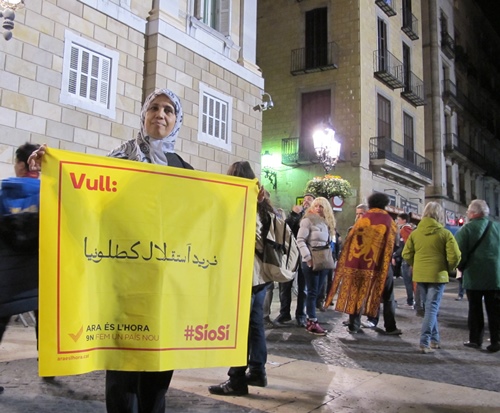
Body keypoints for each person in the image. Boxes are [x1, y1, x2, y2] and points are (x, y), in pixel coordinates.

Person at [29, 89, 193, 412]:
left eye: (168, 110)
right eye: (154, 108)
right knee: (122, 379)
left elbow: (206, 218)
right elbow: (84, 194)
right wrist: (50, 169)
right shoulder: (119, 159)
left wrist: (250, 201)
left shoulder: (184, 170)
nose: (160, 114)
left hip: (164, 293)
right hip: (123, 287)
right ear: (144, 115)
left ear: (177, 121)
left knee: (157, 386)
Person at [208, 161, 271, 396]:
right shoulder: (263, 205)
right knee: (255, 325)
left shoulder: (247, 206)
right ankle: (257, 371)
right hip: (260, 276)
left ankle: (236, 380)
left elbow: (250, 239)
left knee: (240, 328)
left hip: (247, 275)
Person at [326, 193, 400, 335]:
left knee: (357, 293)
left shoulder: (362, 220)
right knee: (387, 296)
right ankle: (390, 327)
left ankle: (354, 325)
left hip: (360, 264)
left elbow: (350, 242)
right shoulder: (389, 220)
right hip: (381, 265)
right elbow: (394, 243)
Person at [0, 142, 41, 395]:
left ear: (21, 164)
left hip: (7, 278)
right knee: (45, 323)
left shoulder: (3, 193)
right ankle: (49, 367)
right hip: (39, 276)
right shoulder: (50, 193)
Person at [402, 202, 461, 354]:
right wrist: (449, 268)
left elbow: (406, 254)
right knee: (432, 309)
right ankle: (424, 341)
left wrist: (417, 264)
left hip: (420, 275)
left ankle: (435, 340)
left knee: (429, 308)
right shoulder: (445, 233)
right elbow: (455, 255)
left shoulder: (415, 233)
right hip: (438, 274)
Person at [455, 200, 500, 353]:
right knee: (495, 310)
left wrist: (460, 267)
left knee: (475, 309)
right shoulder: (497, 227)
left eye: (468, 211)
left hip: (474, 275)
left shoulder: (467, 229)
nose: (467, 213)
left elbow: (458, 252)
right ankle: (496, 340)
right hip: (495, 276)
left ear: (473, 213)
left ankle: (475, 339)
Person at [296, 196, 336, 335]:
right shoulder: (308, 220)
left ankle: (311, 319)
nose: (318, 208)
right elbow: (300, 240)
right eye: (316, 206)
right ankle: (311, 321)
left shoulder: (327, 223)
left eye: (321, 206)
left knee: (318, 291)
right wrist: (307, 258)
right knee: (312, 292)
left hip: (323, 260)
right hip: (312, 260)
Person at [273, 193, 315, 327]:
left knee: (303, 287)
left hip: (306, 254)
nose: (306, 202)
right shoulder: (296, 214)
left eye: (310, 200)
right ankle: (284, 313)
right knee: (285, 283)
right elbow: (287, 228)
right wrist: (294, 214)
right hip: (290, 253)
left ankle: (301, 315)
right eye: (305, 199)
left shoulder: (314, 217)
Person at [393, 213, 414, 308]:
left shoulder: (405, 229)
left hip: (406, 259)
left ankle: (410, 301)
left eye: (398, 219)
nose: (397, 222)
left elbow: (405, 245)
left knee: (408, 282)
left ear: (404, 220)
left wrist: (395, 254)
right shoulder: (408, 229)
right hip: (408, 259)